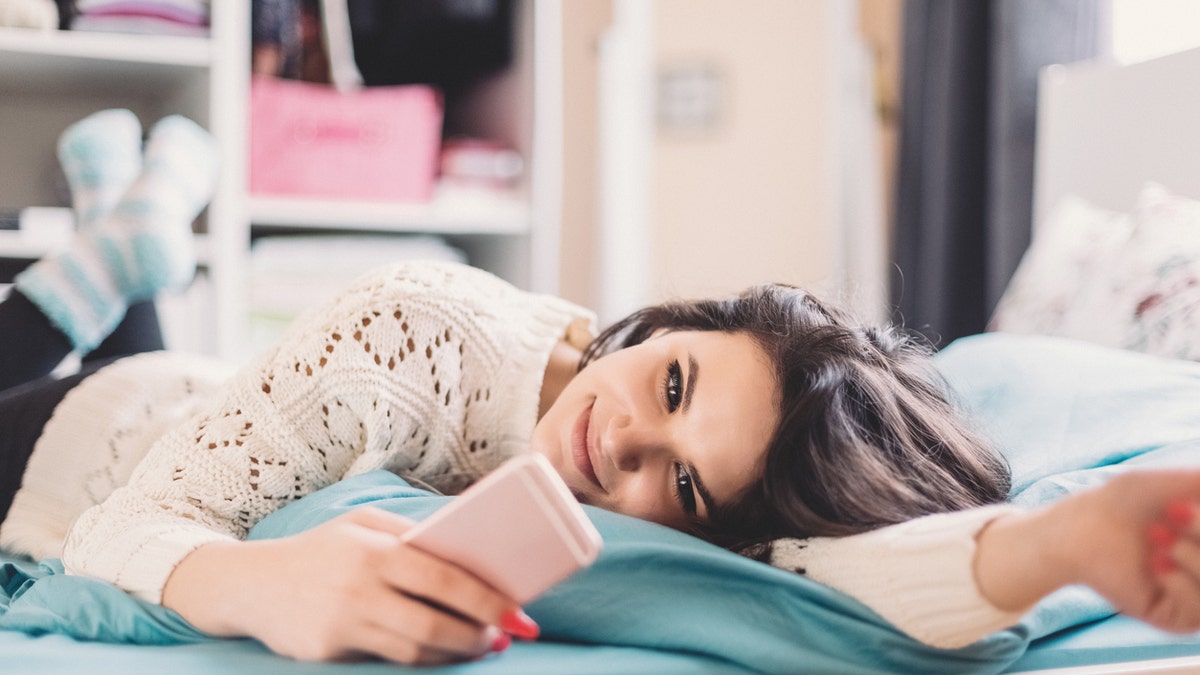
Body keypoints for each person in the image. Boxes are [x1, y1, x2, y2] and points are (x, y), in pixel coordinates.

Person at [0, 110, 1197, 666]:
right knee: (68, 377)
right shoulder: (423, 328)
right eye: (671, 381)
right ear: (676, 319)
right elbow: (119, 530)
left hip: (232, 402)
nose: (622, 444)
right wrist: (264, 582)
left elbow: (852, 580)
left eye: (680, 480)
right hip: (87, 444)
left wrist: (1062, 543)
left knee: (172, 371)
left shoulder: (711, 514)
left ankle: (125, 237)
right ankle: (107, 258)